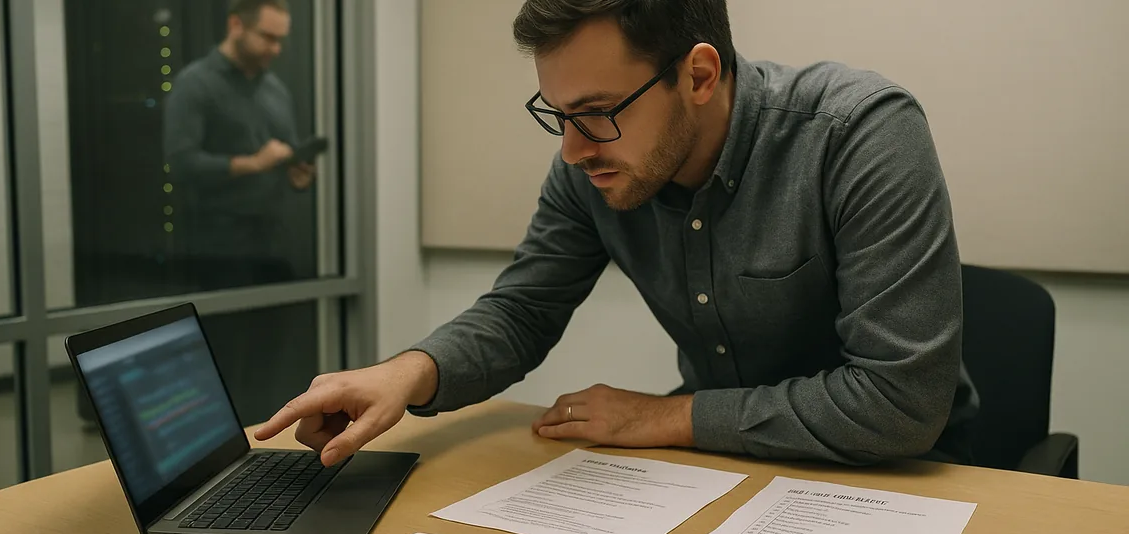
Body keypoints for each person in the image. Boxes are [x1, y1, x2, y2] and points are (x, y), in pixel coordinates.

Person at [255, 0, 979, 467]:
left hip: (900, 478)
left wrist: (670, 417)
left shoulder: (860, 135)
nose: (572, 150)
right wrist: (405, 373)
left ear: (699, 75)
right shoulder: (593, 163)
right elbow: (523, 310)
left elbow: (899, 404)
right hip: (721, 468)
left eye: (597, 112)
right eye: (558, 114)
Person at [163, 0, 314, 291]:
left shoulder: (276, 90)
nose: (276, 49)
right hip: (214, 254)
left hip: (274, 247)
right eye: (267, 37)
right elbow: (181, 164)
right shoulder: (194, 85)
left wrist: (300, 175)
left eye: (280, 40)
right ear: (236, 26)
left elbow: (287, 156)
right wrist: (254, 164)